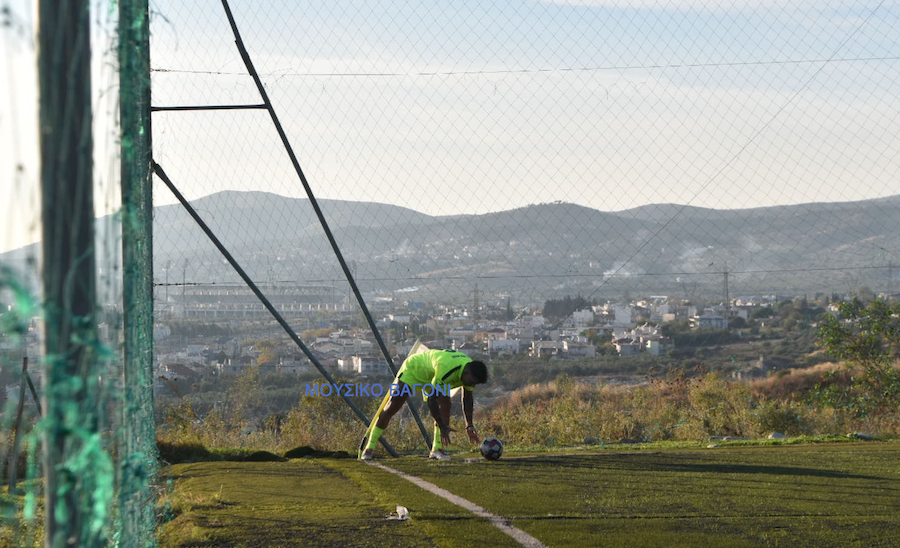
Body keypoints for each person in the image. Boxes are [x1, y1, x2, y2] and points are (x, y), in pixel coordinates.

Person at [361, 348, 488, 461]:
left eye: (474, 384)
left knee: (445, 404)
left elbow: (467, 398)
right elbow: (431, 401)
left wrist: (469, 425)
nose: (472, 385)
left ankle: (436, 449)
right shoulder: (447, 369)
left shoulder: (470, 370)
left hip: (433, 374)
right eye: (471, 382)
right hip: (415, 369)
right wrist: (442, 425)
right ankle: (369, 448)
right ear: (466, 373)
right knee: (392, 406)